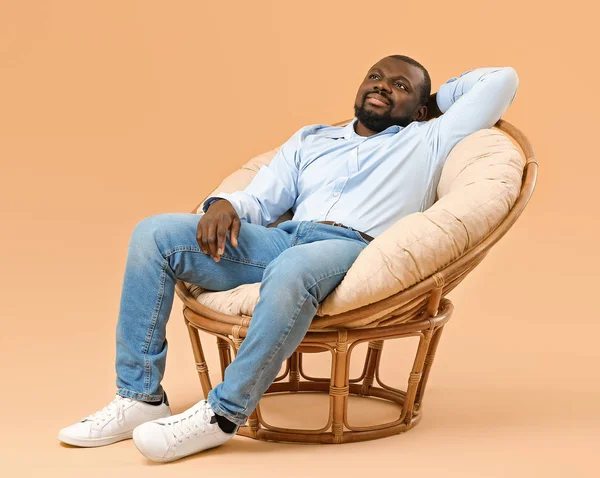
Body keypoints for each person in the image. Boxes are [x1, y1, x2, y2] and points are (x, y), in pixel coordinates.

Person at [58, 54, 519, 462]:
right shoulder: (312, 139)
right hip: (283, 239)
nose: (382, 85)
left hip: (352, 248)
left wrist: (432, 103)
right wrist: (224, 203)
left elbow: (503, 80)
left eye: (400, 85)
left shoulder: (428, 138)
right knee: (154, 233)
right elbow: (260, 200)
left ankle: (223, 414)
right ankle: (140, 395)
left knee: (293, 268)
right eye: (375, 77)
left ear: (421, 107)